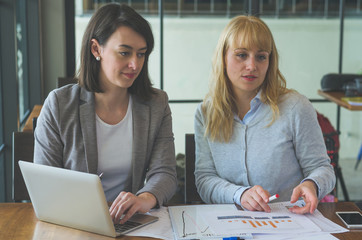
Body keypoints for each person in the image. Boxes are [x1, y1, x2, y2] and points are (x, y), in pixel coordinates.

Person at [34, 3, 177, 224]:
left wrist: (144, 198)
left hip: (129, 222)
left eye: (141, 54)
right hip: (74, 222)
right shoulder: (59, 105)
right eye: (124, 53)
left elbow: (165, 172)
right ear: (96, 49)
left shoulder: (156, 105)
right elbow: (45, 184)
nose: (135, 64)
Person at [194, 15, 336, 215]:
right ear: (223, 57)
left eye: (261, 56)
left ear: (270, 61)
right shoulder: (205, 113)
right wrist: (239, 194)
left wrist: (312, 183)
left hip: (288, 221)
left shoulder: (296, 107)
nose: (252, 66)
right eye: (241, 55)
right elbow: (204, 180)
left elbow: (323, 168)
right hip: (228, 223)